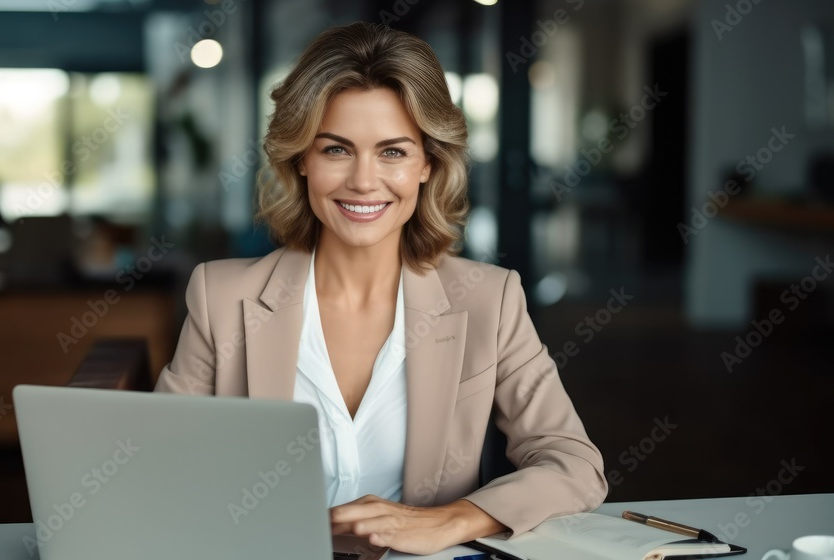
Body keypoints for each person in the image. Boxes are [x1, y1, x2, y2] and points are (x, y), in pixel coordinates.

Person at [154, 21, 607, 555]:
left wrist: (456, 519)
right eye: (336, 150)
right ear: (301, 159)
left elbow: (573, 463)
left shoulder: (490, 300)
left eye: (393, 151)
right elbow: (162, 464)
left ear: (427, 164)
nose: (364, 181)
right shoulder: (221, 296)